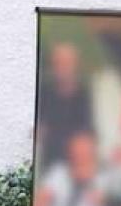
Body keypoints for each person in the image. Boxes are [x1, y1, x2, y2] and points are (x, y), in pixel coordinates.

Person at [35, 42, 93, 170]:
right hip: (50, 163)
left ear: (76, 65)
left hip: (77, 166)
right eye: (58, 63)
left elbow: (88, 132)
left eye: (67, 63)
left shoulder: (84, 94)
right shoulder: (44, 92)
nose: (62, 68)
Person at [36, 131, 110, 206]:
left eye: (84, 148)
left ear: (93, 149)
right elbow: (42, 199)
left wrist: (105, 202)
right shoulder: (59, 172)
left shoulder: (105, 176)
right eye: (77, 147)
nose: (80, 153)